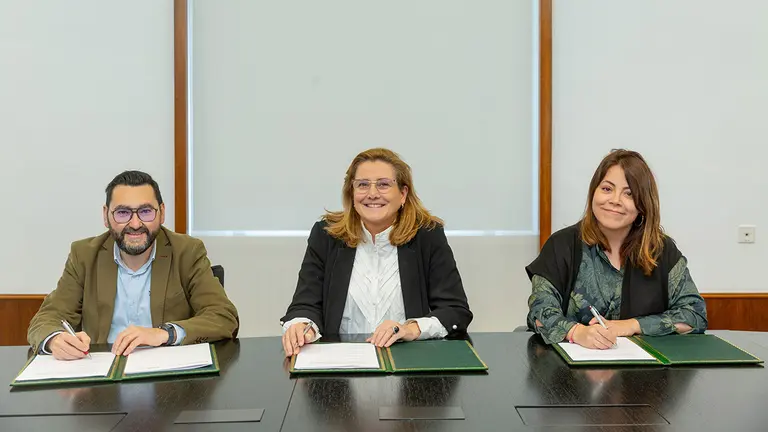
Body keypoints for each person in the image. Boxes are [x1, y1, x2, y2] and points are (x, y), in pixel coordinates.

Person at [280, 148, 473, 356]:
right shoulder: (326, 235)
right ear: (351, 193)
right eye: (363, 185)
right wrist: (302, 326)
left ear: (403, 194)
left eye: (383, 184)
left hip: (408, 362)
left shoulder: (427, 236)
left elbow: (455, 311)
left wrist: (409, 329)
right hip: (342, 362)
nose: (372, 194)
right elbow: (305, 304)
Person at [27, 170, 239, 360]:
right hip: (103, 376)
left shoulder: (187, 252)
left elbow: (223, 316)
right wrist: (55, 339)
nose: (135, 224)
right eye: (123, 213)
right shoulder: (84, 255)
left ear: (162, 213)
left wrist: (164, 334)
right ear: (106, 216)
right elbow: (46, 319)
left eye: (146, 211)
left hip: (168, 375)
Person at [526, 149, 707, 349]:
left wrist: (631, 325)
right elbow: (539, 310)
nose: (615, 200)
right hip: (569, 365)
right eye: (606, 189)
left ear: (643, 204)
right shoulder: (562, 245)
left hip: (643, 367)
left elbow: (695, 314)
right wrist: (577, 332)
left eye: (629, 194)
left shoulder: (661, 250)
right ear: (593, 192)